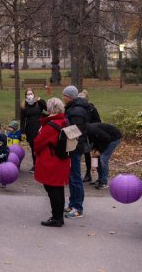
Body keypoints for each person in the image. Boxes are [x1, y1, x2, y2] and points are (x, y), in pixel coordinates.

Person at [34, 98, 70, 227]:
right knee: (58, 188)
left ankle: (56, 218)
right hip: (62, 159)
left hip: (51, 161)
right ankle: (59, 216)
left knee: (51, 189)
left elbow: (38, 143)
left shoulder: (50, 125)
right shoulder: (64, 121)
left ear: (50, 109)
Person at [62, 85, 90, 219]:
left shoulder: (77, 111)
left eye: (65, 96)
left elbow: (76, 131)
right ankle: (72, 204)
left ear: (70, 97)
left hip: (74, 147)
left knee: (75, 178)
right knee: (71, 177)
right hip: (72, 147)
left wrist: (62, 131)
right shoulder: (73, 108)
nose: (63, 98)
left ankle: (78, 207)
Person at [87, 123, 122, 189]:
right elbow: (97, 140)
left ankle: (103, 182)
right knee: (97, 156)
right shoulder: (88, 131)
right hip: (104, 139)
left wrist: (100, 150)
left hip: (114, 138)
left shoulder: (93, 130)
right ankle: (100, 179)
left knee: (103, 158)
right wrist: (95, 149)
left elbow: (106, 139)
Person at [20, 88, 47, 173]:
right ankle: (35, 165)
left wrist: (40, 100)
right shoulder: (24, 106)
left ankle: (42, 165)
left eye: (31, 93)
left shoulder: (38, 103)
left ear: (34, 94)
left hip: (39, 128)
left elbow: (46, 108)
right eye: (28, 94)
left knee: (41, 147)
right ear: (25, 96)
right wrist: (22, 132)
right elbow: (22, 120)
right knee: (33, 148)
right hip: (30, 129)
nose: (30, 95)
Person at [77, 90, 102, 183]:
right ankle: (88, 174)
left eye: (83, 98)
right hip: (84, 135)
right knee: (86, 154)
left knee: (95, 155)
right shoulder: (78, 109)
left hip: (93, 134)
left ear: (87, 99)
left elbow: (98, 121)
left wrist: (91, 127)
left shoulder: (92, 109)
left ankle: (99, 175)